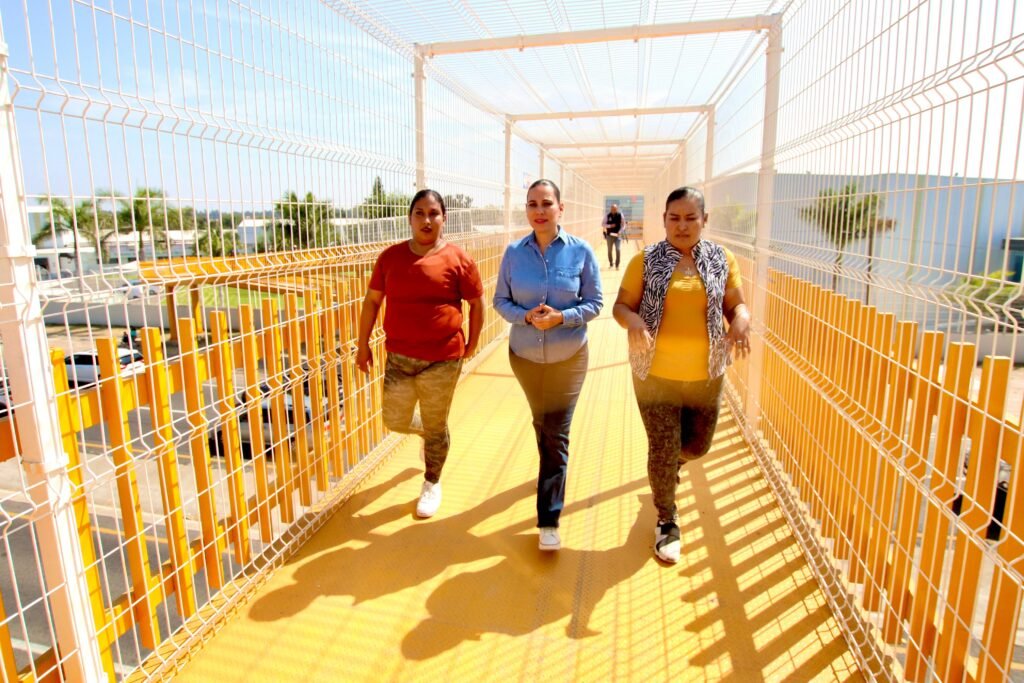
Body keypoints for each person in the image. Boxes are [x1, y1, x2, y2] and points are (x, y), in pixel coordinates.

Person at [612, 186, 751, 564]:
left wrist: (741, 320)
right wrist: (634, 321)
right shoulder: (645, 261)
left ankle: (669, 466)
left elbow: (737, 305)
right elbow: (620, 307)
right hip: (654, 375)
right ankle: (666, 518)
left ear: (705, 221)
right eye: (674, 218)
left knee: (695, 447)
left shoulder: (723, 259)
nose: (682, 225)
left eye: (691, 218)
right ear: (664, 221)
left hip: (707, 374)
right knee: (662, 446)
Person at [356, 189, 484, 519]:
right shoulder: (390, 258)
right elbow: (372, 302)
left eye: (433, 213)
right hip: (400, 355)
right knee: (394, 419)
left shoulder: (459, 259)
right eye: (419, 213)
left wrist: (472, 341)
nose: (426, 220)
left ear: (444, 218)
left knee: (436, 421)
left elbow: (476, 303)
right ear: (410, 218)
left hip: (443, 356)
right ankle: (429, 434)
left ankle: (432, 481)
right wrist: (362, 345)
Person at [493, 179, 603, 551]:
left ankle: (548, 519)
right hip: (524, 356)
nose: (539, 211)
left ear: (561, 208)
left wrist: (562, 318)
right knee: (542, 422)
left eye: (546, 203)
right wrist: (525, 317)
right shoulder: (513, 253)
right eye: (532, 204)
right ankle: (549, 472)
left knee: (556, 432)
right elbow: (501, 301)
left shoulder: (581, 252)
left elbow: (595, 303)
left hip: (568, 356)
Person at [602, 203, 625, 269]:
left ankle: (617, 265)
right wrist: (610, 226)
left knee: (618, 249)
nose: (613, 210)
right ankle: (611, 263)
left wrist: (620, 232)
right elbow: (603, 224)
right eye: (612, 209)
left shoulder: (620, 215)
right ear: (610, 209)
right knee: (609, 250)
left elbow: (623, 225)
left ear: (617, 209)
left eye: (615, 209)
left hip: (618, 236)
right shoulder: (607, 215)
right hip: (609, 236)